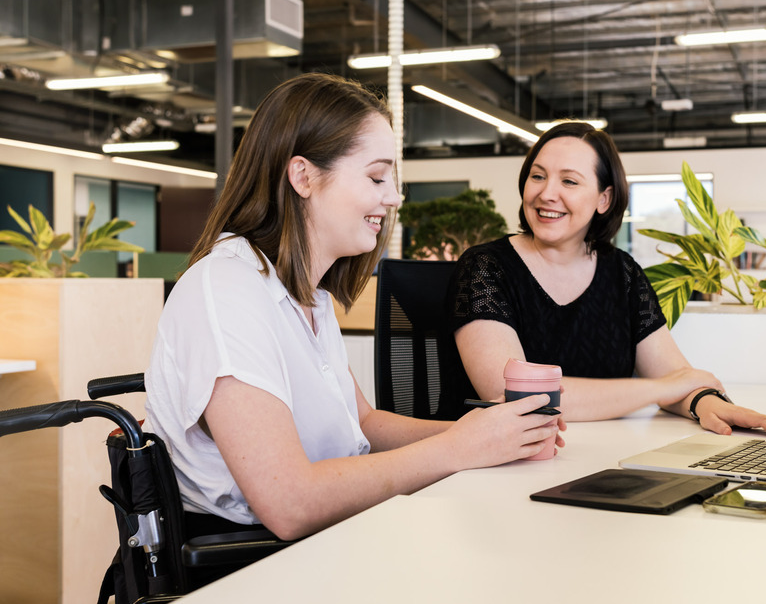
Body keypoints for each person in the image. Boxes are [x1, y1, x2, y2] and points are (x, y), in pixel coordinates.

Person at [143, 73, 563, 543]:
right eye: (377, 176)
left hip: (327, 541)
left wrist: (485, 433)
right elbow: (290, 503)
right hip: (254, 565)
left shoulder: (308, 296)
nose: (394, 196)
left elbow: (361, 424)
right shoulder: (225, 291)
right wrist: (457, 448)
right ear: (303, 176)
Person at [439, 121, 766, 440]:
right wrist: (662, 388)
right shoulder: (485, 267)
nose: (547, 193)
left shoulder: (622, 272)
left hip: (602, 456)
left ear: (604, 198)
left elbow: (675, 375)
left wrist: (703, 403)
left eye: (568, 180)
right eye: (538, 175)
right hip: (498, 467)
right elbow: (515, 395)